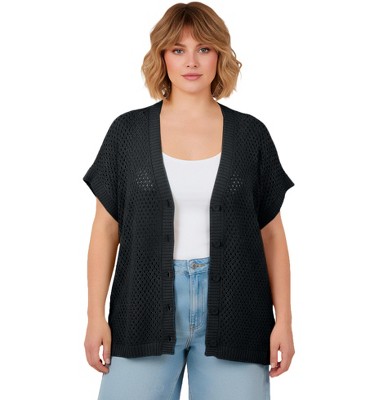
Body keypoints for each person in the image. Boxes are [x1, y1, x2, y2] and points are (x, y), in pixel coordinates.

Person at [83, 2, 295, 399]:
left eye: (204, 49)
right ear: (162, 56)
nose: (191, 61)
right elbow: (106, 229)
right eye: (178, 50)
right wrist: (96, 315)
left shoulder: (251, 135)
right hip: (141, 307)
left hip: (238, 309)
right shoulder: (127, 133)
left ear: (220, 55)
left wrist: (283, 319)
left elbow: (271, 235)